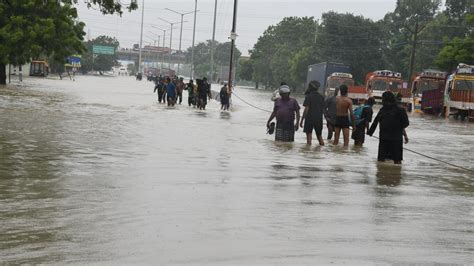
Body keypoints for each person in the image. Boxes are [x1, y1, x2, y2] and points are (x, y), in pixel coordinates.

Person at [368, 91, 409, 164]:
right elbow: (405, 124)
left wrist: (370, 132)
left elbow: (375, 122)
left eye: (383, 100)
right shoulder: (401, 110)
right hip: (395, 140)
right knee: (397, 162)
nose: (383, 102)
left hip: (384, 140)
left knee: (381, 161)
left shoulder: (383, 110)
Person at [300, 80, 325, 146]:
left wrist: (302, 120)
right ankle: (322, 151)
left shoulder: (308, 96)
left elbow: (306, 109)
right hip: (319, 119)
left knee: (309, 140)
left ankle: (308, 152)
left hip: (309, 119)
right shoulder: (321, 97)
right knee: (319, 136)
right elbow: (323, 109)